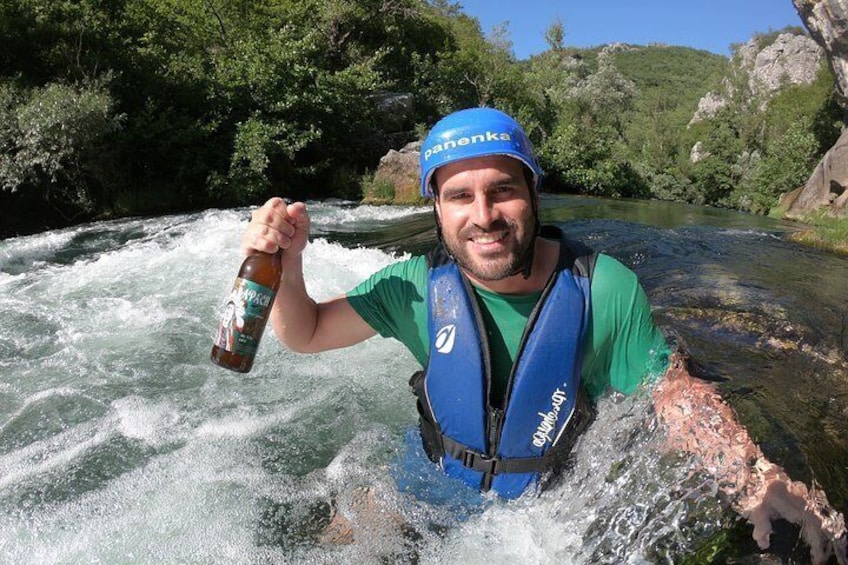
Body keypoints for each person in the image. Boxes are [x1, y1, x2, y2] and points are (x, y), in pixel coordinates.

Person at [240, 108, 847, 561]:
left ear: (533, 192)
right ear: (436, 208)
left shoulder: (602, 290)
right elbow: (308, 331)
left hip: (543, 511)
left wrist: (753, 478)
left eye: (503, 189)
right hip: (423, 479)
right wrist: (288, 265)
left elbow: (674, 396)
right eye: (460, 196)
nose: (484, 215)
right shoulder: (414, 288)